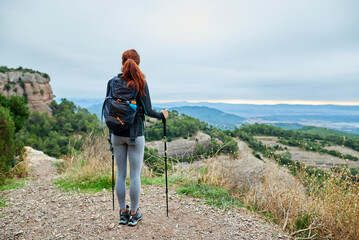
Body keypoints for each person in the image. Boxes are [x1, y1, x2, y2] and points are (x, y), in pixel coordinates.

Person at [106, 49, 168, 227]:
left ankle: (122, 213)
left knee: (121, 174)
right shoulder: (141, 82)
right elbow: (148, 111)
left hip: (116, 134)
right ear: (137, 64)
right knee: (134, 175)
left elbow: (109, 108)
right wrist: (162, 115)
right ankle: (134, 214)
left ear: (122, 62)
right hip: (135, 135)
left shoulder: (112, 82)